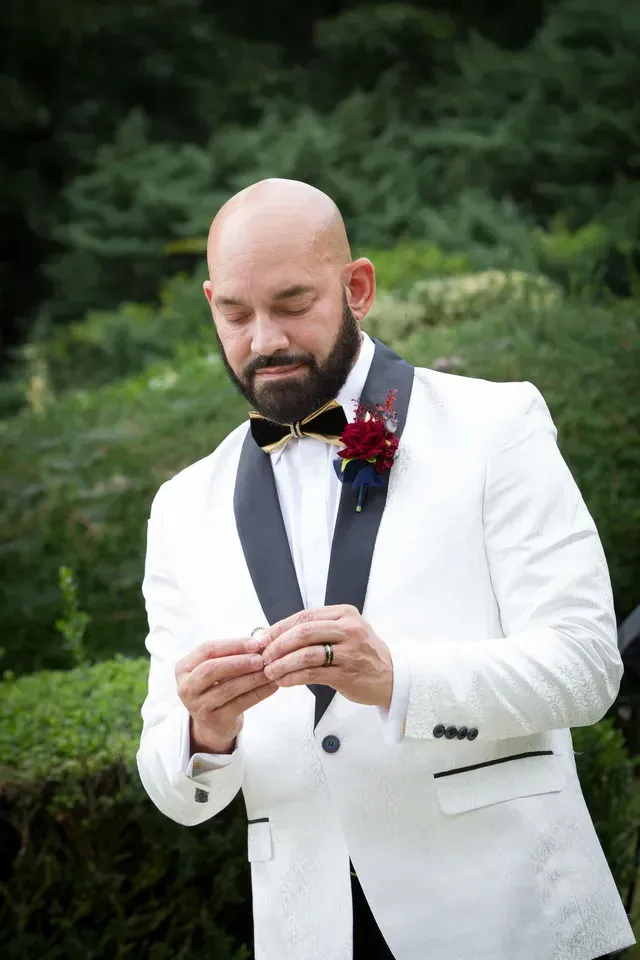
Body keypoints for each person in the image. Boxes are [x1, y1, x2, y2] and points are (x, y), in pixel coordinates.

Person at [136, 178, 635, 960]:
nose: (263, 338)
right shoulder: (180, 507)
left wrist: (399, 680)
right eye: (235, 313)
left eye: (293, 303)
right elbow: (177, 790)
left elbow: (586, 668)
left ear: (357, 288)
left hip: (511, 920)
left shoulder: (496, 426)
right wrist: (206, 731)